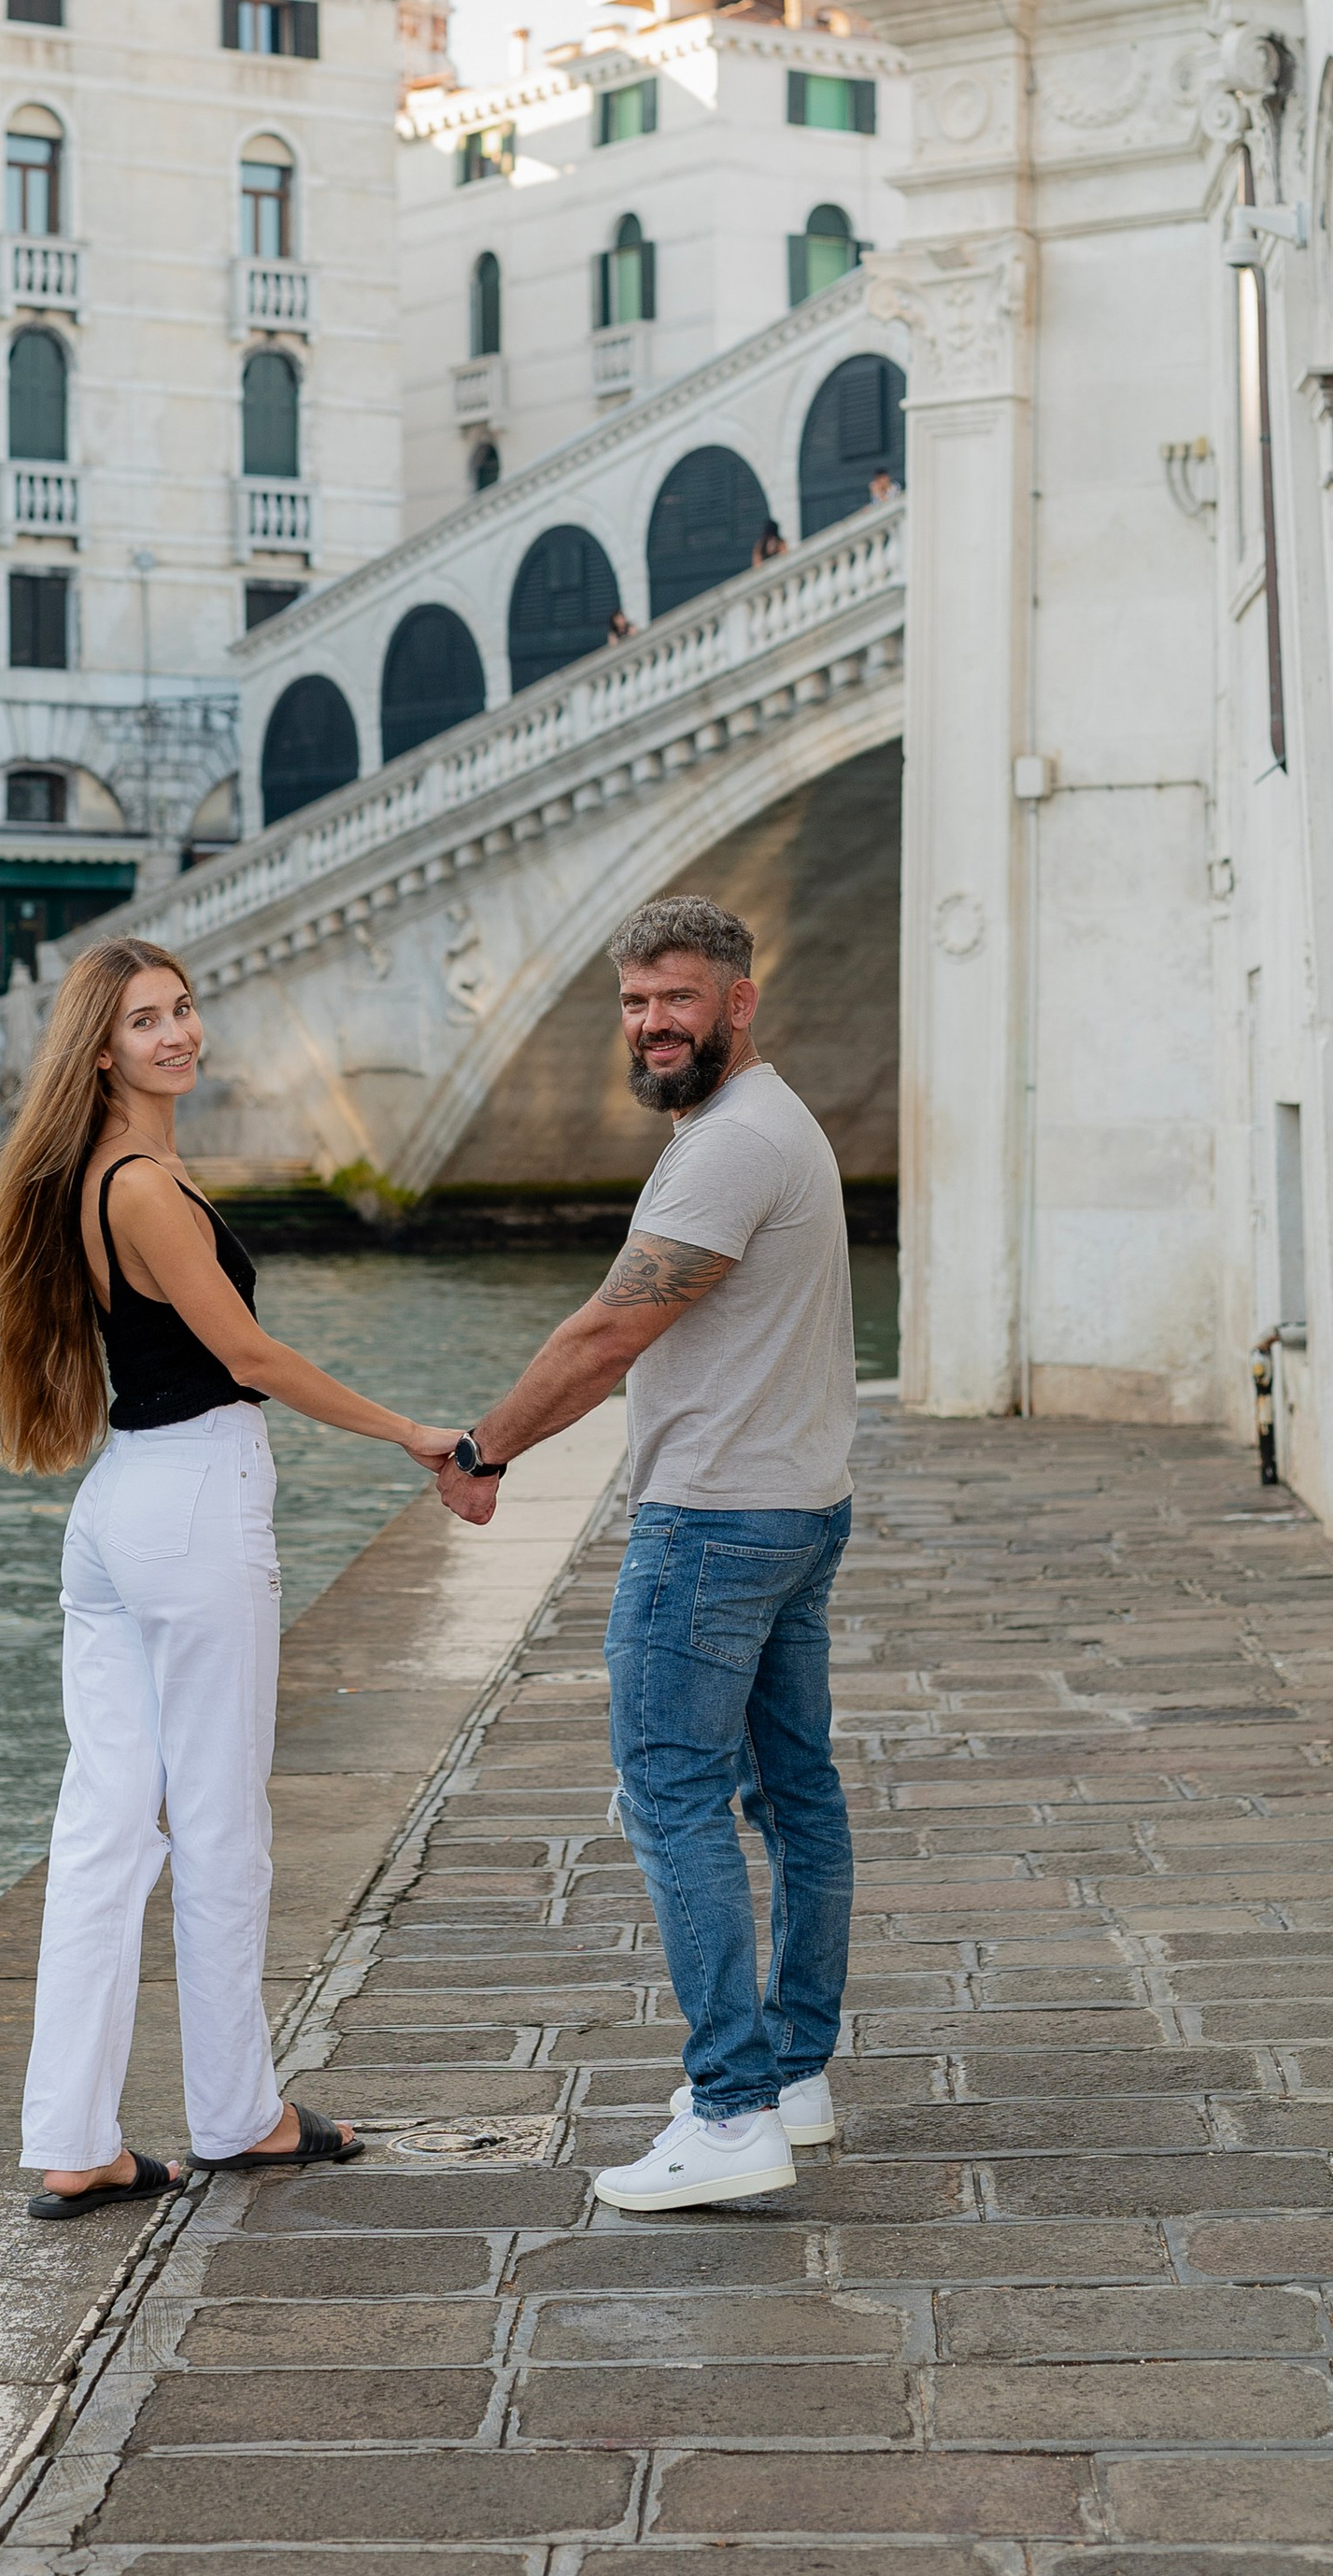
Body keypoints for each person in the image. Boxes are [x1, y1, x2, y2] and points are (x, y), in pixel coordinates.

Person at [0, 937, 458, 2219]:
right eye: (145, 1020)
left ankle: (76, 2141)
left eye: (182, 1008)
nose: (177, 1034)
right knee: (219, 1822)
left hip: (121, 1508)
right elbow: (250, 1357)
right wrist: (411, 1433)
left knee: (106, 1826)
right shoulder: (144, 1189)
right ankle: (238, 2115)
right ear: (100, 1051)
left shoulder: (110, 1176)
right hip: (195, 1504)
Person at [433, 895, 854, 2215]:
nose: (654, 1023)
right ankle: (792, 2073)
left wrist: (485, 1451)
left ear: (740, 1000)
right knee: (794, 1796)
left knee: (671, 1798)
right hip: (794, 1506)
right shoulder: (760, 1125)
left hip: (715, 1523)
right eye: (634, 1001)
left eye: (679, 998)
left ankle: (732, 2111)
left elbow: (606, 1336)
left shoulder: (732, 1144)